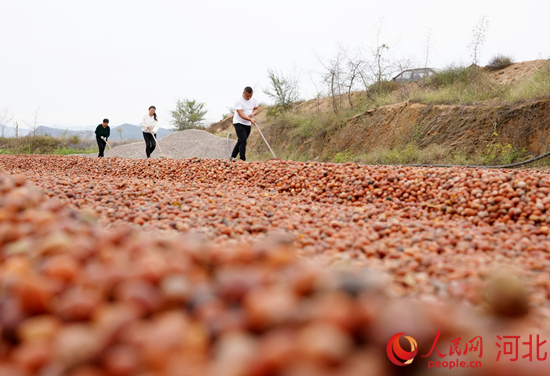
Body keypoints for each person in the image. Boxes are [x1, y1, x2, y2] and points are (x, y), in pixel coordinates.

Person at [231, 86, 258, 161]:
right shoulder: (238, 100)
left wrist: (253, 113)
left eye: (250, 96)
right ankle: (242, 159)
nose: (249, 97)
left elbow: (256, 109)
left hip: (247, 124)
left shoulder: (254, 99)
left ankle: (232, 156)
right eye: (247, 96)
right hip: (238, 122)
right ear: (243, 93)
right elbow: (240, 114)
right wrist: (250, 119)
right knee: (243, 140)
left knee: (241, 140)